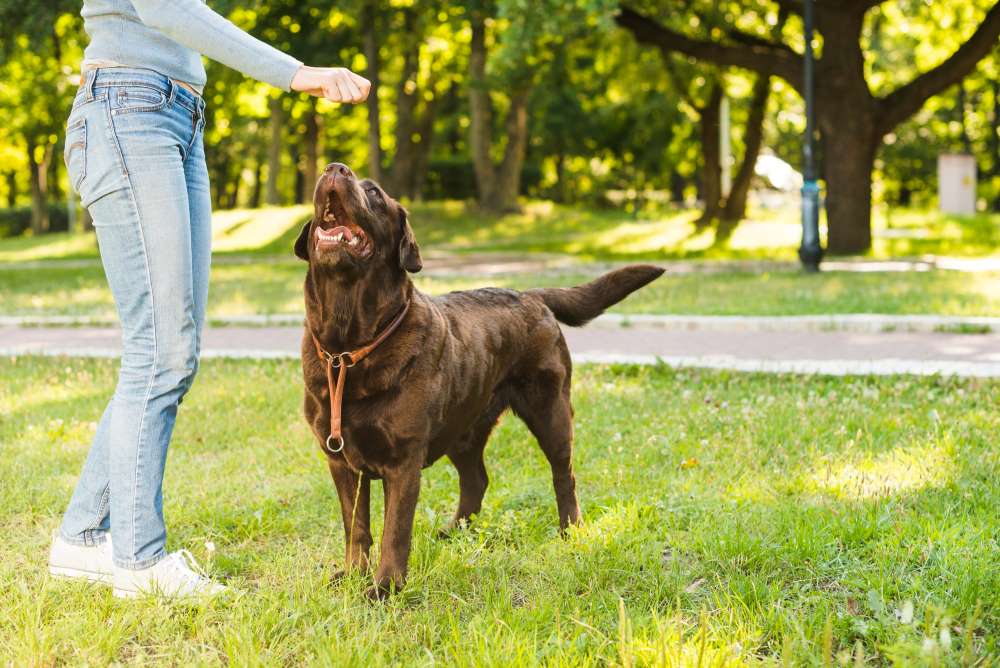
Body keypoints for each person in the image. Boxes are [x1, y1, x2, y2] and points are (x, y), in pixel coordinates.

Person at [47, 0, 370, 599]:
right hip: (128, 107)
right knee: (159, 350)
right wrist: (298, 73)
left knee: (172, 350)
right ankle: (139, 564)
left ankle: (82, 536)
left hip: (174, 116)